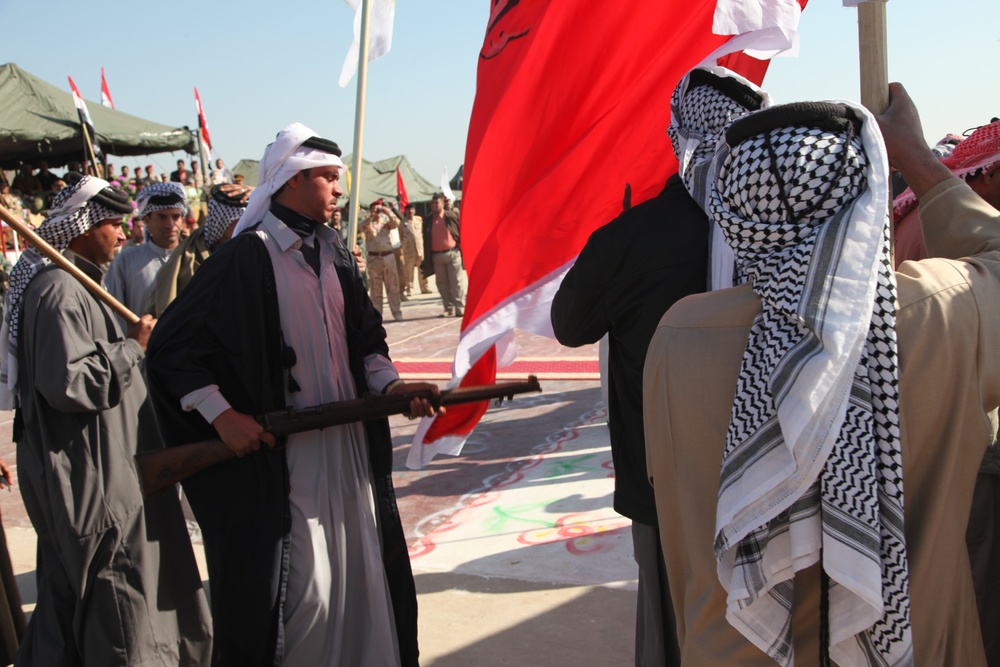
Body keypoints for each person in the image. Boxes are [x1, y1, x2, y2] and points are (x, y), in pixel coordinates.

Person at [644, 86, 1000, 666]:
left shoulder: (678, 338)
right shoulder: (939, 309)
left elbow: (681, 540)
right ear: (865, 195)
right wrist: (917, 154)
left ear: (738, 216)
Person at [145, 123, 438, 666]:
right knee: (304, 598)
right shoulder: (245, 259)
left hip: (348, 459)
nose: (337, 189)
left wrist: (392, 386)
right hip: (287, 471)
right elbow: (170, 350)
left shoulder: (339, 258)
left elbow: (368, 344)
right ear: (291, 180)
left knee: (363, 582)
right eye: (327, 177)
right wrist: (223, 415)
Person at [550, 65, 766, 667]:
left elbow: (570, 324)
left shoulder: (637, 232)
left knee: (678, 626)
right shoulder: (788, 228)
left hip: (663, 480)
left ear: (679, 135)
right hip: (772, 467)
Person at [0, 176, 212, 664]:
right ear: (80, 229)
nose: (121, 235)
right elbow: (70, 383)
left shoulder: (73, 283)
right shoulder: (59, 291)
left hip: (103, 468)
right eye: (114, 224)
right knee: (115, 598)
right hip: (90, 476)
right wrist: (131, 348)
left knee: (84, 599)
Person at [146, 183, 252, 317]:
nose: (247, 222)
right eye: (240, 218)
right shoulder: (188, 255)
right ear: (222, 219)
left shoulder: (251, 249)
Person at [104, 181, 185, 320]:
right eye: (162, 216)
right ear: (147, 220)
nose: (170, 224)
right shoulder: (126, 261)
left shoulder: (193, 257)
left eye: (175, 216)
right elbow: (114, 314)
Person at [421, 192, 465, 317]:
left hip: (452, 253)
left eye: (437, 203)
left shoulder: (451, 216)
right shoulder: (428, 220)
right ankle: (448, 308)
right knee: (442, 284)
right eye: (432, 203)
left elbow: (461, 223)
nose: (434, 205)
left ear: (442, 203)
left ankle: (459, 307)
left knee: (456, 282)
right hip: (436, 256)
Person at [360, 198, 404, 320]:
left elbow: (397, 224)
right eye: (375, 209)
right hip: (374, 258)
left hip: (388, 256)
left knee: (393, 286)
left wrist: (387, 212)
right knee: (375, 289)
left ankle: (397, 312)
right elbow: (361, 228)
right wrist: (371, 217)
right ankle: (377, 314)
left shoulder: (386, 221)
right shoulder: (367, 222)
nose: (377, 211)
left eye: (378, 208)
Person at [400, 203, 429, 296]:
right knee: (409, 271)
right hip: (409, 251)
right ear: (406, 211)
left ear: (414, 211)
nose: (410, 211)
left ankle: (424, 287)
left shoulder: (419, 220)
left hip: (420, 249)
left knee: (423, 270)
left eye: (412, 209)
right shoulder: (402, 223)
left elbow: (423, 234)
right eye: (408, 210)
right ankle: (410, 289)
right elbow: (401, 237)